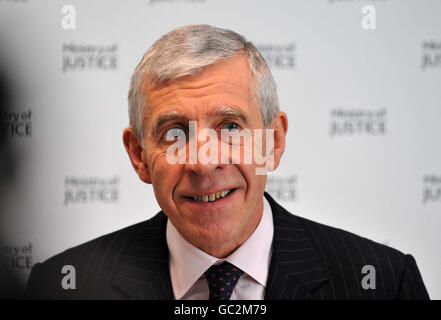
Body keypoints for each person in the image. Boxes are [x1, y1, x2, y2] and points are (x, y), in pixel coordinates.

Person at [25, 24, 429, 300]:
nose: (203, 162)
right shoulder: (63, 286)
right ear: (139, 155)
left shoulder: (383, 282)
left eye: (230, 126)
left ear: (273, 140)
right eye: (173, 133)